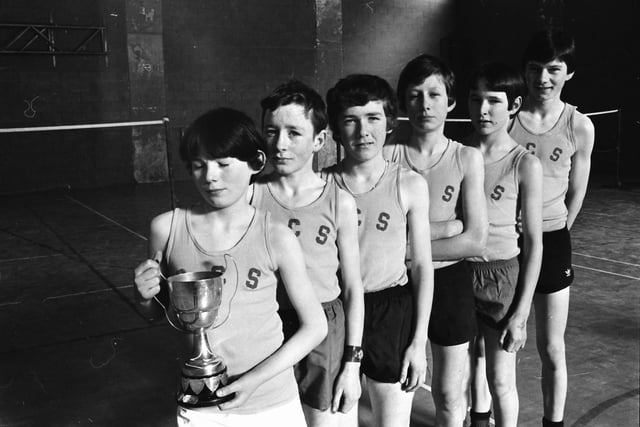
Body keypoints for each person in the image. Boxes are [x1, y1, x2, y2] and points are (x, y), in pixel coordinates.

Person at [133, 107, 327, 427]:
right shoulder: (166, 229)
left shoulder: (276, 236)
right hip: (201, 403)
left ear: (256, 163)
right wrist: (143, 296)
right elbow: (157, 314)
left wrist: (252, 382)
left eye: (223, 164)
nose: (209, 177)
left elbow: (315, 326)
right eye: (198, 166)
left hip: (271, 401)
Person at [251, 80, 364, 427]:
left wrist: (352, 363)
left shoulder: (339, 201)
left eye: (294, 133)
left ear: (318, 140)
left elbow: (353, 287)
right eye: (272, 131)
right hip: (268, 325)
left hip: (325, 326)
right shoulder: (251, 195)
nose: (280, 144)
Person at [324, 74, 434, 427]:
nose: (363, 131)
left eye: (372, 118)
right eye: (350, 121)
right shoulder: (321, 185)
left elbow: (422, 268)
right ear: (336, 129)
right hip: (337, 313)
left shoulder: (409, 184)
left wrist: (419, 343)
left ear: (389, 123)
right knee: (338, 417)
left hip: (391, 312)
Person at [384, 54, 488, 427]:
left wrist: (411, 247)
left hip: (448, 284)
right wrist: (446, 228)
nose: (424, 104)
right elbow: (380, 233)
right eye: (414, 95)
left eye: (434, 94)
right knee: (398, 388)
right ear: (402, 102)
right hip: (397, 285)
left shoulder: (467, 158)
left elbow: (475, 240)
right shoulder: (387, 157)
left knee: (448, 394)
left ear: (451, 102)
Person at [509, 29, 595, 427]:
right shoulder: (507, 120)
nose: (543, 78)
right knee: (495, 344)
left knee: (550, 347)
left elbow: (576, 190)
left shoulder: (579, 125)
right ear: (524, 72)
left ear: (568, 74)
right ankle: (485, 415)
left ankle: (552, 422)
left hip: (553, 240)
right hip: (505, 243)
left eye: (553, 70)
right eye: (535, 69)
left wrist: (554, 234)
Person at [465, 63, 543, 427]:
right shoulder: (458, 156)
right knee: (469, 364)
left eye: (493, 101)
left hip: (501, 278)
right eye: (476, 99)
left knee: (500, 378)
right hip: (460, 272)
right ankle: (478, 420)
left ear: (514, 105)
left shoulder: (524, 163)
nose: (482, 109)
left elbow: (533, 243)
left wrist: (522, 313)